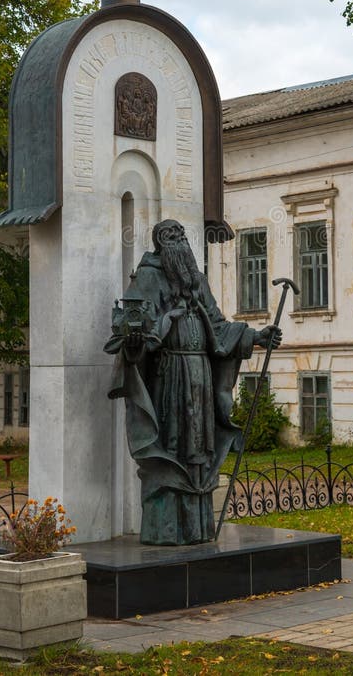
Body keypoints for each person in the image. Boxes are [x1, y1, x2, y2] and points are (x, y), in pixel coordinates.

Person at [104, 219, 281, 545]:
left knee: (199, 448)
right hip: (171, 377)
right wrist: (157, 325)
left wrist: (256, 336)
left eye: (181, 236)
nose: (179, 243)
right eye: (171, 237)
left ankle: (197, 528)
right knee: (174, 446)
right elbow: (134, 329)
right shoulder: (148, 277)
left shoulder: (197, 281)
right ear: (160, 245)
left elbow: (218, 325)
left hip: (200, 374)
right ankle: (167, 529)